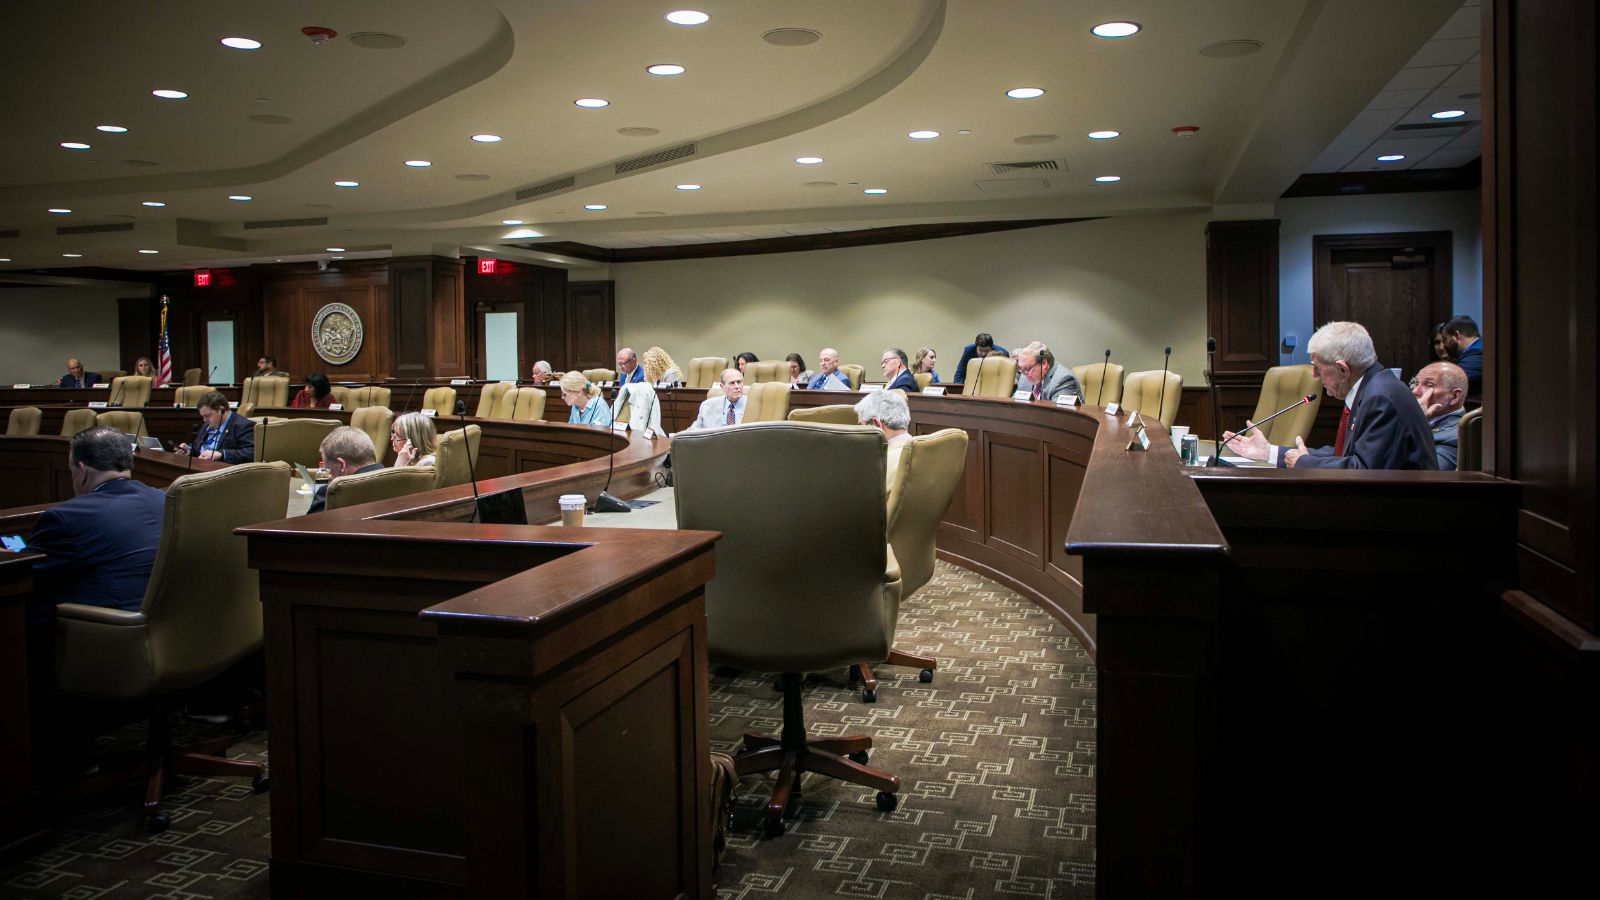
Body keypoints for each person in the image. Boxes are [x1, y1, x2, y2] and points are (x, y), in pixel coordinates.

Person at [1223, 321, 1436, 469]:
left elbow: (1364, 471)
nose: (1314, 376)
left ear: (1343, 369)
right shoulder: (1373, 387)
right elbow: (1343, 454)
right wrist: (1269, 452)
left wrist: (1304, 463)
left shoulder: (1381, 398)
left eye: (1318, 368)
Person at [24, 426, 165, 624]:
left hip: (104, 630)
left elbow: (24, 577)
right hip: (165, 623)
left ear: (82, 470)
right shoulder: (163, 499)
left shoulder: (67, 517)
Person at [306, 427, 383, 515]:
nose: (329, 476)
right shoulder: (395, 481)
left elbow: (310, 523)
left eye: (328, 470)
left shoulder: (333, 492)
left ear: (342, 465)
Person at [1411, 361, 1469, 470]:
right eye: (1416, 383)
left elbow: (1423, 474)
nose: (1415, 391)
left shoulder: (1455, 437)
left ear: (1454, 396)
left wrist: (1416, 420)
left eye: (1429, 385)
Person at [177, 390, 255, 462]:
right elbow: (198, 446)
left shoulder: (243, 425)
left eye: (207, 415)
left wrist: (222, 454)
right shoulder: (207, 425)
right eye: (203, 416)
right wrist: (189, 450)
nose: (204, 420)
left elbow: (251, 452)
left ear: (221, 410)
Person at [855, 388, 912, 483]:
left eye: (861, 426)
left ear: (877, 425)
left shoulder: (876, 467)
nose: (858, 433)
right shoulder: (927, 450)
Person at [1016, 343, 1082, 402]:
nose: (1023, 373)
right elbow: (1016, 406)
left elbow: (1058, 410)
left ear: (1044, 363)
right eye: (1020, 368)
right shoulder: (1024, 378)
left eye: (1027, 368)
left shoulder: (1064, 379)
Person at [1443, 315, 1482, 395]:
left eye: (1445, 339)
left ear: (1456, 335)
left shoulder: (1476, 354)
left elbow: (1449, 381)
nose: (1443, 346)